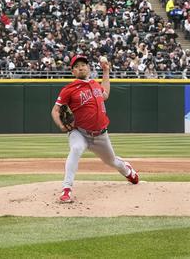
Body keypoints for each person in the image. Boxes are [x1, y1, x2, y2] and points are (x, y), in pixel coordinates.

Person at [51, 54, 139, 204]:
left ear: (88, 67)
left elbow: (105, 94)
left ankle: (128, 171)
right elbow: (55, 110)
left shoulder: (94, 84)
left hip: (100, 134)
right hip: (79, 131)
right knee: (76, 149)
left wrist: (106, 72)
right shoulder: (69, 89)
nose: (80, 68)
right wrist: (61, 125)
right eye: (76, 67)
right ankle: (66, 189)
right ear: (73, 72)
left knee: (111, 161)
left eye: (83, 65)